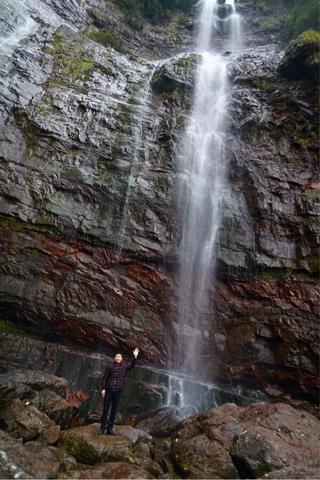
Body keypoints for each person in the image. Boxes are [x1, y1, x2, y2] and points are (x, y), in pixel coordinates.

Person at [99, 347, 139, 435]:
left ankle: (110, 429)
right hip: (109, 391)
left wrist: (135, 357)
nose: (117, 358)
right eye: (116, 356)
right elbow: (104, 378)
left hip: (118, 392)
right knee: (105, 410)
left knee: (114, 411)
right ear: (115, 357)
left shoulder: (124, 366)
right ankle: (102, 428)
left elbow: (132, 365)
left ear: (122, 358)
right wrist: (103, 389)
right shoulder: (110, 366)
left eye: (119, 356)